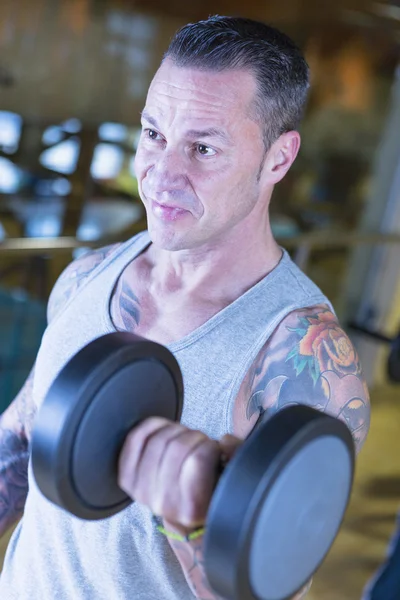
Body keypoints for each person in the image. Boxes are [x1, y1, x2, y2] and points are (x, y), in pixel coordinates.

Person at [0, 15, 370, 600]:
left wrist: (192, 520)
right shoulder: (87, 279)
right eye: (153, 135)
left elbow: (274, 592)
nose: (162, 174)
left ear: (278, 159)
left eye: (202, 147)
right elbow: (20, 443)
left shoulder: (307, 364)